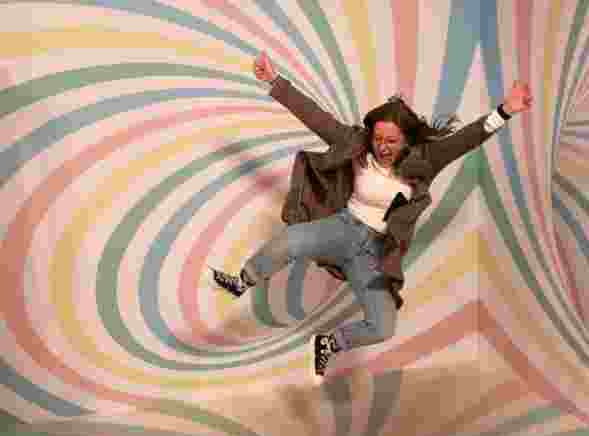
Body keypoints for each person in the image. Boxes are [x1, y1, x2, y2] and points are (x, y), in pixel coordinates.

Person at [212, 51, 532, 376]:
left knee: (382, 326)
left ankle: (331, 343)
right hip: (343, 228)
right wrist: (274, 82)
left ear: (406, 139)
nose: (382, 146)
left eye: (391, 140)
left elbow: (467, 139)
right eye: (378, 138)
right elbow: (316, 117)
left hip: (374, 254)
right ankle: (243, 281)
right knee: (293, 238)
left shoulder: (427, 159)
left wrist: (506, 110)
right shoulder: (357, 145)